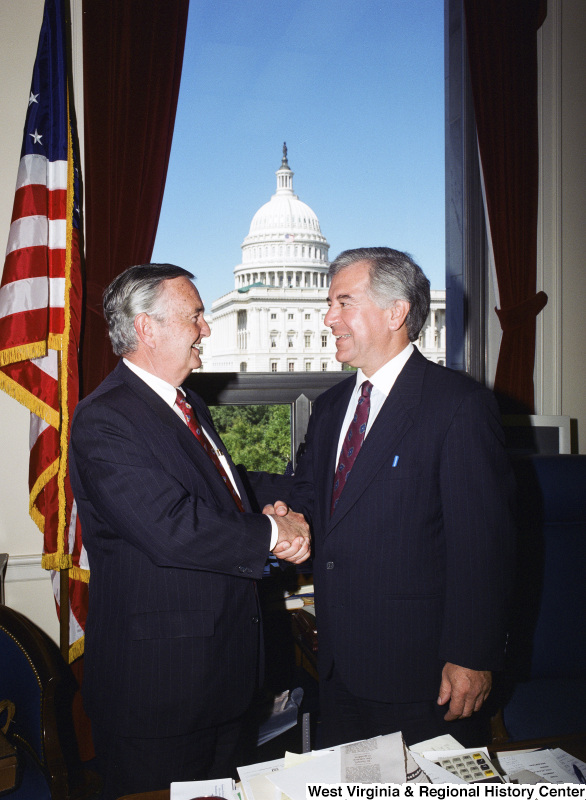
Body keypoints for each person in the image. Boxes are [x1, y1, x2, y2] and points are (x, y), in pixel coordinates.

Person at [69, 263, 310, 799]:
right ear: (145, 328)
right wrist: (273, 531)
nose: (207, 329)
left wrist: (291, 503)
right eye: (196, 316)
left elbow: (218, 493)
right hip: (159, 694)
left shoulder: (186, 404)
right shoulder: (105, 418)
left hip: (222, 680)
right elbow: (171, 526)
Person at [276, 247, 516, 748]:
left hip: (425, 674)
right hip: (338, 665)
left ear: (396, 312)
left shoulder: (458, 407)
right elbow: (312, 500)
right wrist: (271, 512)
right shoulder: (330, 407)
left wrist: (473, 656)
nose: (328, 317)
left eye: (343, 302)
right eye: (329, 304)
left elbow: (483, 547)